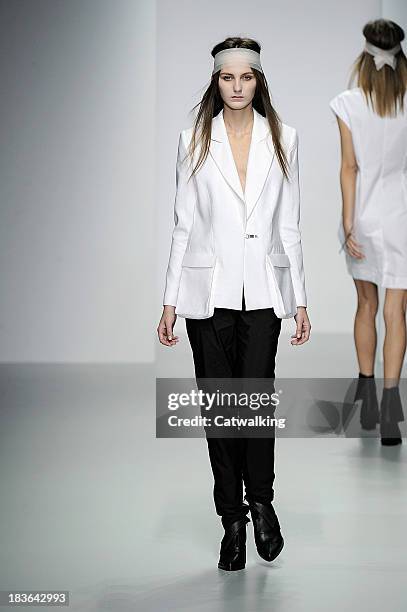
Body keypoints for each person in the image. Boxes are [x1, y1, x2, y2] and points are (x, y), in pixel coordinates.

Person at [158, 37, 310, 570]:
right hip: (208, 294)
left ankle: (262, 501)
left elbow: (289, 225)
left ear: (259, 80)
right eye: (228, 77)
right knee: (221, 412)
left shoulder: (285, 139)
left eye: (247, 77)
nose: (238, 86)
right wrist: (170, 301)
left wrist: (300, 300)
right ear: (216, 81)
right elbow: (183, 225)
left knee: (256, 405)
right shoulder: (193, 141)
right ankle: (232, 522)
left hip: (264, 293)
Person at [329, 19, 407, 446]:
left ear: (365, 53)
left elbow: (349, 166)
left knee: (365, 304)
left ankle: (368, 396)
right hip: (402, 215)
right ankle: (392, 410)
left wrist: (347, 219)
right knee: (396, 313)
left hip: (363, 215)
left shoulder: (347, 104)